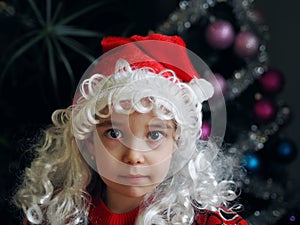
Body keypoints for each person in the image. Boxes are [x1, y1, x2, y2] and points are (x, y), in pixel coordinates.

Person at [13, 34, 249, 225]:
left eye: (155, 135)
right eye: (114, 134)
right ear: (89, 144)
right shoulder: (51, 217)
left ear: (177, 146)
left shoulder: (210, 222)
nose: (133, 156)